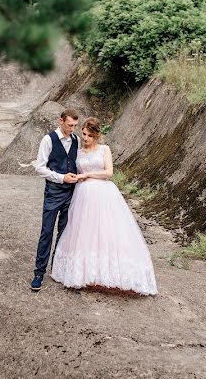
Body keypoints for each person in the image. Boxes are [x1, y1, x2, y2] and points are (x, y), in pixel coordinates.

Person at [50, 117, 157, 295]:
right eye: (83, 134)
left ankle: (108, 273)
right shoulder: (78, 152)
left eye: (90, 135)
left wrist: (87, 175)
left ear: (97, 135)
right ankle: (84, 274)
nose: (85, 138)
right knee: (84, 232)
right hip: (83, 196)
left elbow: (109, 172)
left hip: (104, 194)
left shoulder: (104, 149)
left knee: (107, 231)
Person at [30, 108, 80, 292]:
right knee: (47, 232)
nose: (73, 129)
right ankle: (38, 273)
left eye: (75, 125)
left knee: (64, 233)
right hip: (53, 192)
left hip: (71, 193)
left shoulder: (76, 140)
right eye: (70, 125)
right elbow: (39, 168)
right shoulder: (48, 139)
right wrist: (61, 178)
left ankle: (57, 268)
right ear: (61, 121)